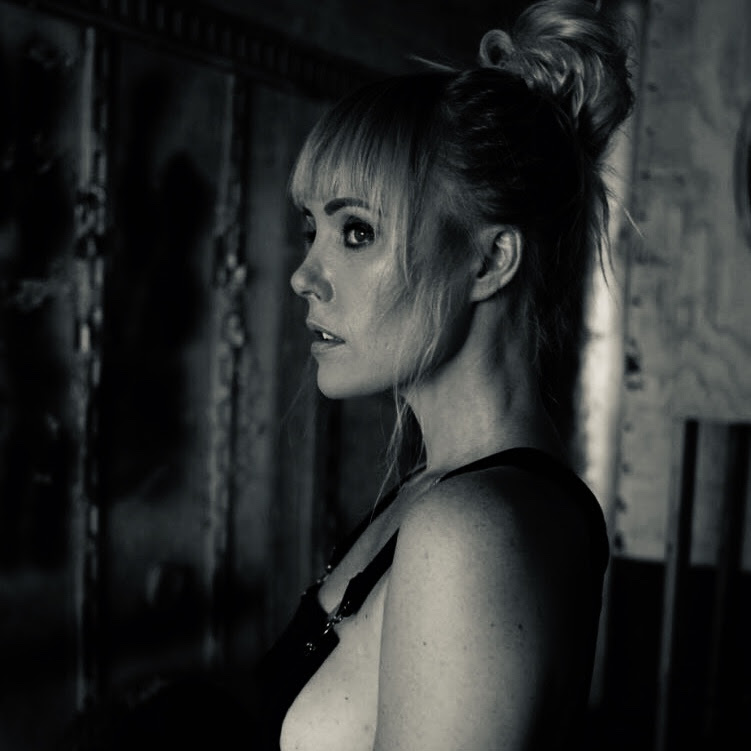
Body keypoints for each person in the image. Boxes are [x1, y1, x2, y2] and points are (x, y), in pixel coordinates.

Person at [256, 1, 635, 749]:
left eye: (356, 231)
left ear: (489, 260)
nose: (304, 275)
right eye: (312, 229)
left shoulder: (468, 529)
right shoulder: (439, 492)